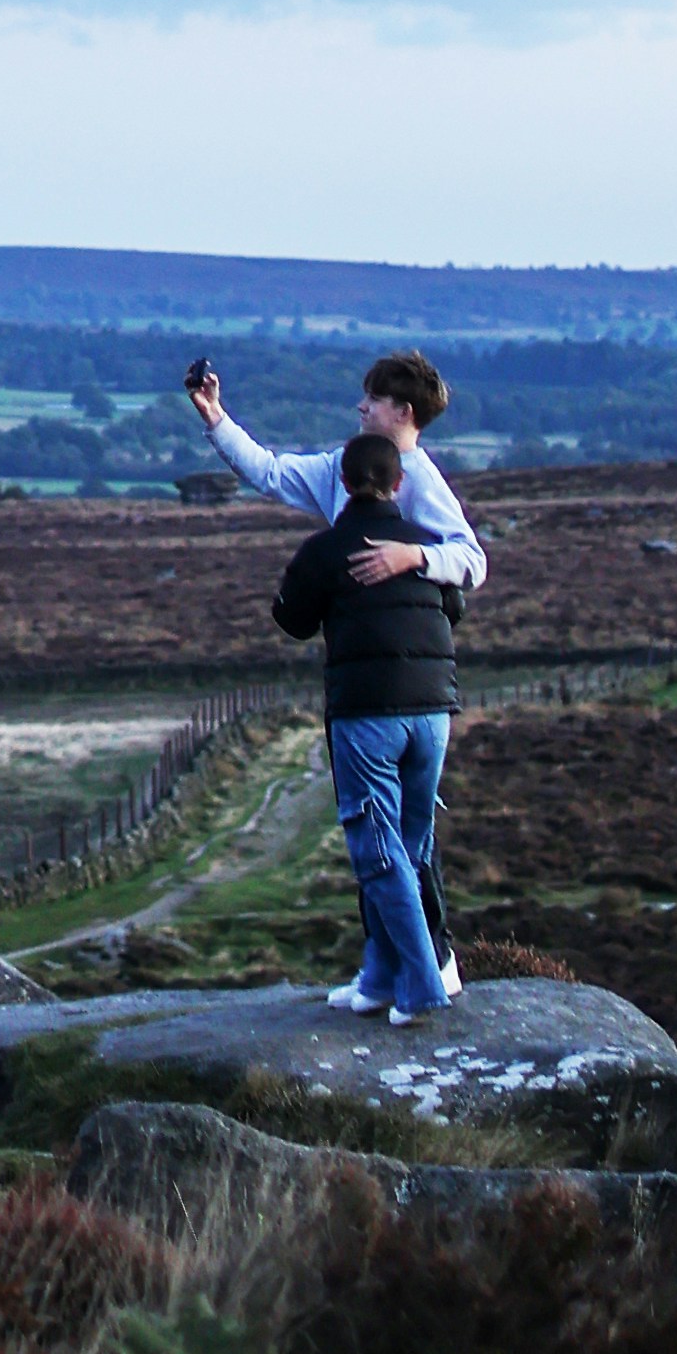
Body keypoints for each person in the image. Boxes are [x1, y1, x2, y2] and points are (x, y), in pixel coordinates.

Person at [186, 343, 483, 1006]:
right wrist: (215, 418)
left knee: (394, 846)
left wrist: (412, 555)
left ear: (400, 411)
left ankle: (430, 971)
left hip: (386, 691)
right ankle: (385, 975)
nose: (359, 406)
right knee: (398, 844)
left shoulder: (422, 483)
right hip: (422, 690)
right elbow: (268, 471)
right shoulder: (342, 468)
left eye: (371, 399)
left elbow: (470, 559)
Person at [264, 424, 460, 1019]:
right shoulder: (424, 544)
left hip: (366, 711)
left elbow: (292, 621)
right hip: (434, 712)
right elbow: (454, 606)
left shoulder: (324, 551)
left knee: (378, 849)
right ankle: (378, 979)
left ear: (344, 485)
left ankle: (423, 985)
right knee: (411, 843)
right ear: (399, 484)